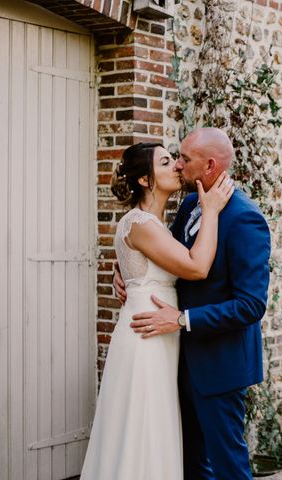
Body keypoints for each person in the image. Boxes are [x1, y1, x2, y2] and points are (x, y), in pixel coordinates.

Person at [114, 128, 271, 480]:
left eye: (184, 158)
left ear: (210, 164)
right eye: (175, 158)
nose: (179, 164)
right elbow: (163, 255)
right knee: (190, 464)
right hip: (175, 360)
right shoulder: (188, 204)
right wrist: (125, 271)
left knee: (229, 466)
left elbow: (250, 305)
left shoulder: (245, 218)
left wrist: (183, 320)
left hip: (219, 365)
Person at [80, 142, 234, 480]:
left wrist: (122, 273)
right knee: (142, 429)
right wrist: (211, 212)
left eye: (176, 160)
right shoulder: (143, 224)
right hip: (145, 339)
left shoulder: (160, 224)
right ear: (145, 181)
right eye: (166, 162)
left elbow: (146, 267)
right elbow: (196, 267)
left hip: (159, 336)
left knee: (151, 428)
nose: (177, 167)